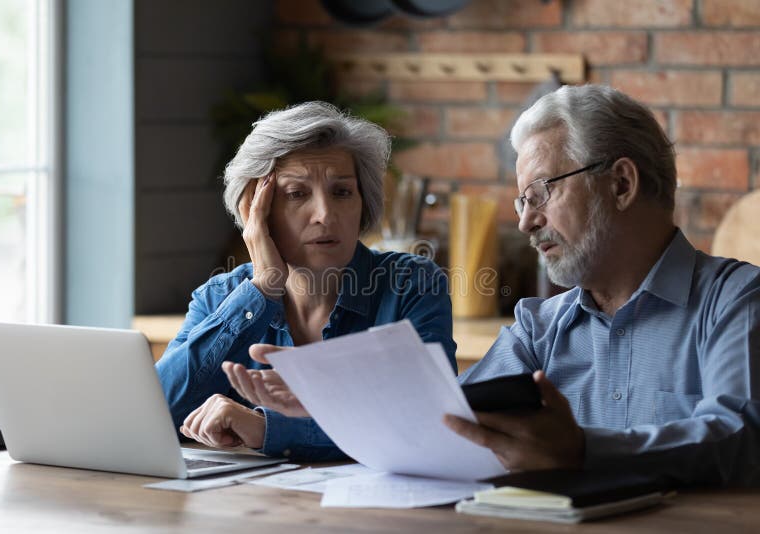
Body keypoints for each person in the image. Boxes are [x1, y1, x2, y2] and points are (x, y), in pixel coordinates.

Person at [234, 85, 760, 486]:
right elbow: (448, 425)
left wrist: (581, 450)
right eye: (521, 202)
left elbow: (741, 438)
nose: (527, 222)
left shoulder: (736, 301)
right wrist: (338, 404)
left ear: (621, 184)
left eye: (539, 194)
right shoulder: (538, 329)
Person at [155, 101, 456, 462]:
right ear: (256, 211)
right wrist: (263, 288)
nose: (325, 215)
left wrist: (267, 429)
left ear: (364, 203)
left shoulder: (412, 285)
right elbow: (152, 414)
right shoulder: (221, 297)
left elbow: (430, 422)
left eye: (342, 192)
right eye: (297, 194)